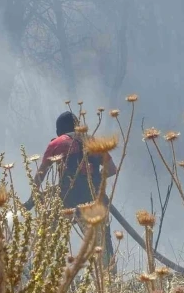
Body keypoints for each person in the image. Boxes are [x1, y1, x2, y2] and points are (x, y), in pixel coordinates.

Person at [24, 111, 118, 271]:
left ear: (59, 130)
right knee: (102, 243)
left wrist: (31, 199)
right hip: (94, 200)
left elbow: (41, 174)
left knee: (47, 237)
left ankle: (39, 272)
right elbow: (111, 170)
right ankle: (110, 278)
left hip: (66, 199)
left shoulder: (57, 143)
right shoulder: (93, 141)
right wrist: (93, 179)